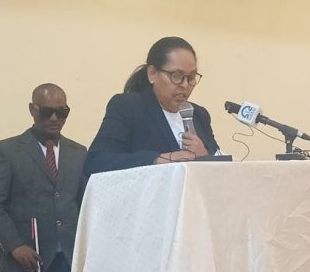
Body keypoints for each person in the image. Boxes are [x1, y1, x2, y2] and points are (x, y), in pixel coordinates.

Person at [0, 83, 87, 272]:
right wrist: (15, 246)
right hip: (24, 264)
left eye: (61, 112)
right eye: (47, 112)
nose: (54, 118)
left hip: (68, 263)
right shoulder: (6, 150)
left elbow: (85, 203)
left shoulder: (79, 152)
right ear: (32, 109)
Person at [84, 36, 219, 175]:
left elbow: (221, 168)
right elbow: (96, 162)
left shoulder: (199, 115)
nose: (185, 85)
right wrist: (157, 160)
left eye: (191, 77)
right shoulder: (129, 107)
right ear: (152, 73)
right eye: (177, 76)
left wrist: (205, 156)